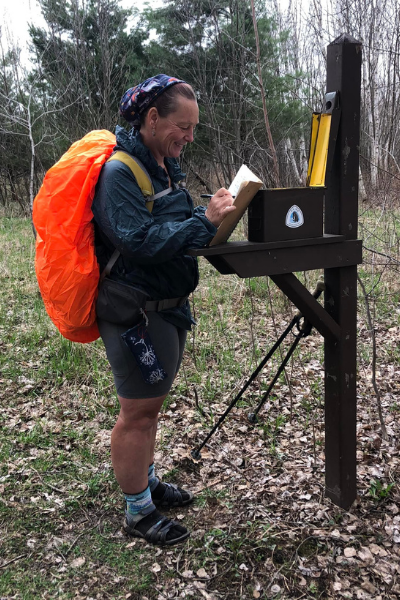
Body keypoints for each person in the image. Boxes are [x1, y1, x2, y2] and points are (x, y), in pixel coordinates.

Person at [92, 74, 235, 546]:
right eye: (183, 127)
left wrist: (205, 217)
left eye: (193, 129)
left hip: (168, 310)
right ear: (153, 118)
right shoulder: (120, 174)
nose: (189, 138)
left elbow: (176, 227)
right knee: (137, 413)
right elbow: (140, 243)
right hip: (136, 313)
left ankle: (147, 483)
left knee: (151, 409)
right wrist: (204, 220)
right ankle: (137, 511)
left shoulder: (165, 167)